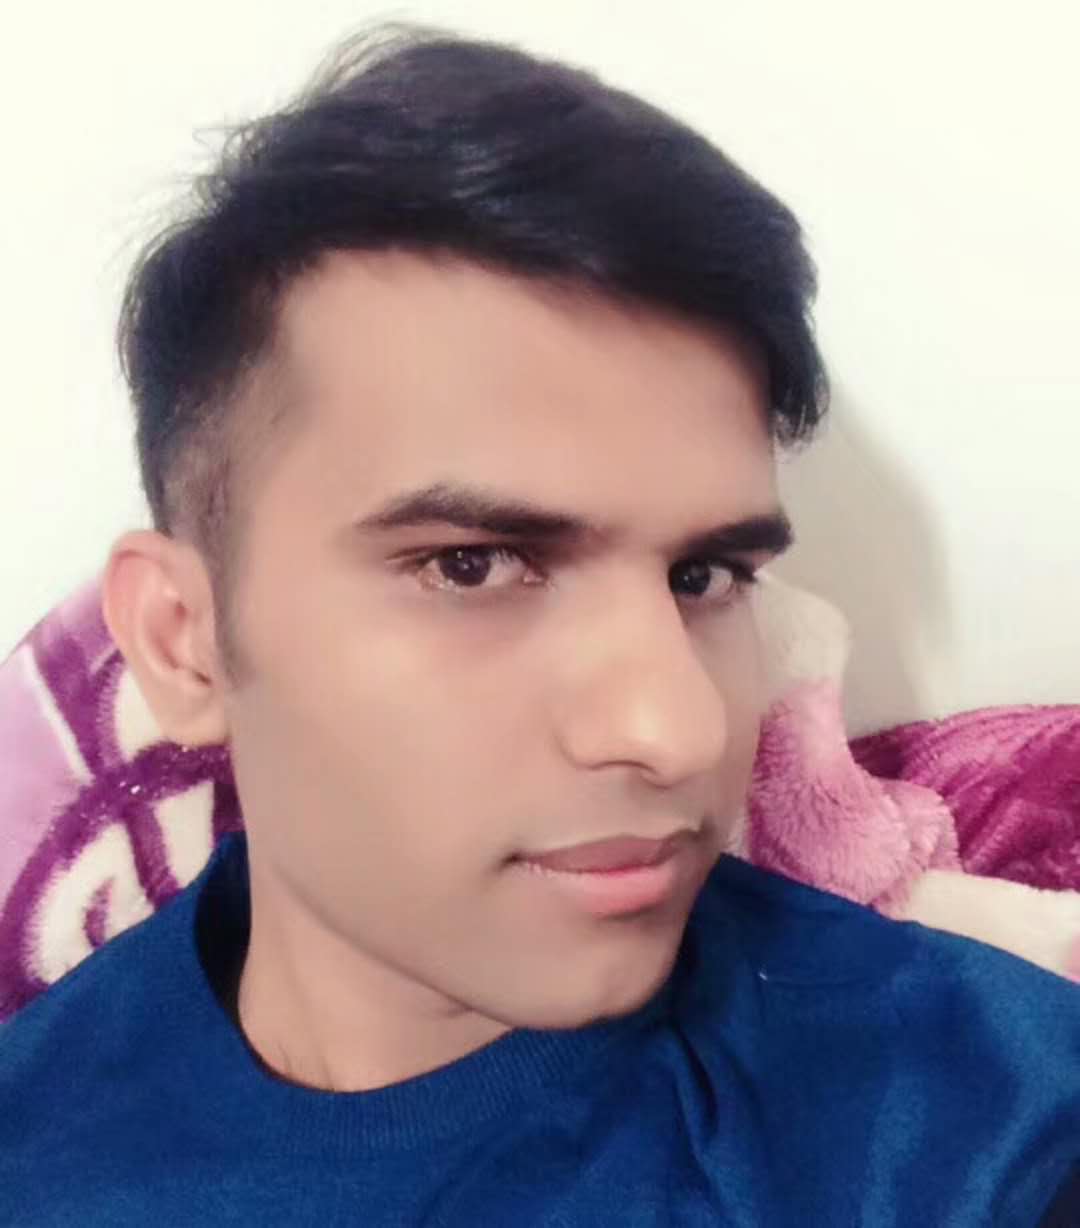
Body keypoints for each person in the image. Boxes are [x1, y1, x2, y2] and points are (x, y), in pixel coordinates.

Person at [1, 22, 1076, 1226]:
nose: (674, 728)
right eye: (472, 564)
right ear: (184, 640)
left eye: (705, 575)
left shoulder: (982, 1119)